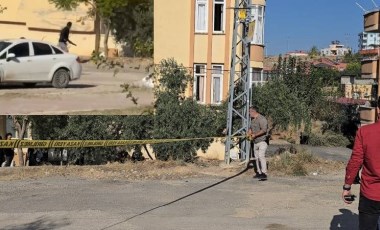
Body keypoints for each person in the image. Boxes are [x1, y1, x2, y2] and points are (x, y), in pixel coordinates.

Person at [343, 96, 380, 230]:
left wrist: (347, 187)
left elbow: (355, 161)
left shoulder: (364, 132)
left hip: (370, 194)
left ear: (378, 109)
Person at [248, 106, 269, 180]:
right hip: (255, 142)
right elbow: (251, 128)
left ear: (253, 111)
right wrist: (249, 132)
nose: (249, 113)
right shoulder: (253, 120)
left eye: (249, 112)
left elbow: (264, 130)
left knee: (261, 156)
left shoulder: (262, 119)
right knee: (256, 158)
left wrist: (255, 135)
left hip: (262, 141)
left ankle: (264, 173)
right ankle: (259, 173)